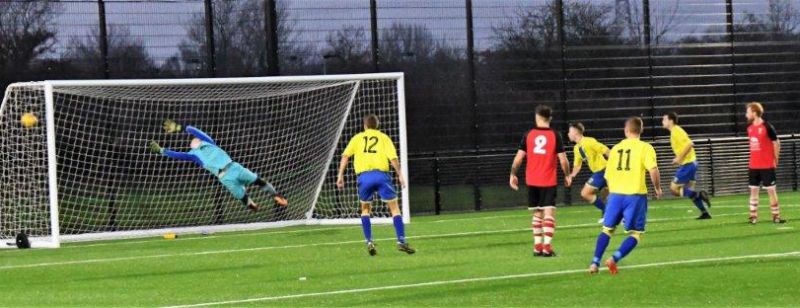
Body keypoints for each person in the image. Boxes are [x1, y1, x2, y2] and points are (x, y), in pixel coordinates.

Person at [148, 120, 288, 211]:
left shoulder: (208, 142)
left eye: (196, 138)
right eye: (192, 140)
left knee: (258, 181)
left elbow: (192, 129)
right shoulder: (194, 155)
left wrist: (178, 127)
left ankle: (277, 195)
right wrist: (162, 151)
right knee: (242, 197)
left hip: (234, 167)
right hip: (225, 177)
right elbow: (178, 155)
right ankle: (254, 207)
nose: (194, 139)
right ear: (191, 146)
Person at [589, 117, 662, 275]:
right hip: (634, 196)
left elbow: (608, 176)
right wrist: (657, 188)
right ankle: (614, 258)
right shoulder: (645, 148)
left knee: (607, 230)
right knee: (635, 234)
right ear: (641, 130)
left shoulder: (615, 149)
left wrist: (611, 193)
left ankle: (595, 262)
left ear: (626, 130)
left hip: (615, 195)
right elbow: (653, 170)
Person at [336, 114, 414, 256]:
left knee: (365, 210)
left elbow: (345, 156)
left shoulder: (358, 138)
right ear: (377, 125)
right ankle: (401, 241)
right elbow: (393, 158)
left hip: (364, 177)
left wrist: (340, 175)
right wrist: (400, 175)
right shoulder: (384, 138)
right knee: (395, 209)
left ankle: (369, 241)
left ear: (365, 126)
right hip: (382, 176)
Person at [510, 105, 571, 257]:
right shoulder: (555, 135)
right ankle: (547, 247)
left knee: (537, 212)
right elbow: (563, 160)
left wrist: (513, 174)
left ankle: (537, 247)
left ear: (537, 117)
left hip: (532, 180)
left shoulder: (529, 134)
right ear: (549, 118)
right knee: (549, 211)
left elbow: (518, 158)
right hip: (548, 180)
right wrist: (567, 175)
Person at [662, 112, 711, 219]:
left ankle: (699, 195)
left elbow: (690, 144)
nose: (662, 121)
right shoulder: (675, 131)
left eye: (664, 119)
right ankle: (704, 213)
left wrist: (679, 158)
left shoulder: (676, 131)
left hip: (688, 165)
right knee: (689, 192)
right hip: (691, 163)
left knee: (673, 189)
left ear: (671, 121)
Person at [745, 102, 785, 224]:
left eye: (748, 112)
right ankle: (753, 216)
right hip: (753, 165)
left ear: (754, 113)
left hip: (767, 165)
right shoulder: (749, 128)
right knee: (753, 190)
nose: (746, 114)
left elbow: (776, 142)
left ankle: (776, 216)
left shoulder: (767, 127)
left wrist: (775, 158)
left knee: (771, 190)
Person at [566, 122, 610, 223]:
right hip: (599, 172)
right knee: (607, 195)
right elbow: (577, 165)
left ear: (575, 132)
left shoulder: (589, 141)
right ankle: (609, 214)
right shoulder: (576, 148)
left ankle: (609, 213)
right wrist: (571, 175)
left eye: (569, 131)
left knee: (585, 193)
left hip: (604, 170)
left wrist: (614, 165)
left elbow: (606, 150)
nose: (568, 134)